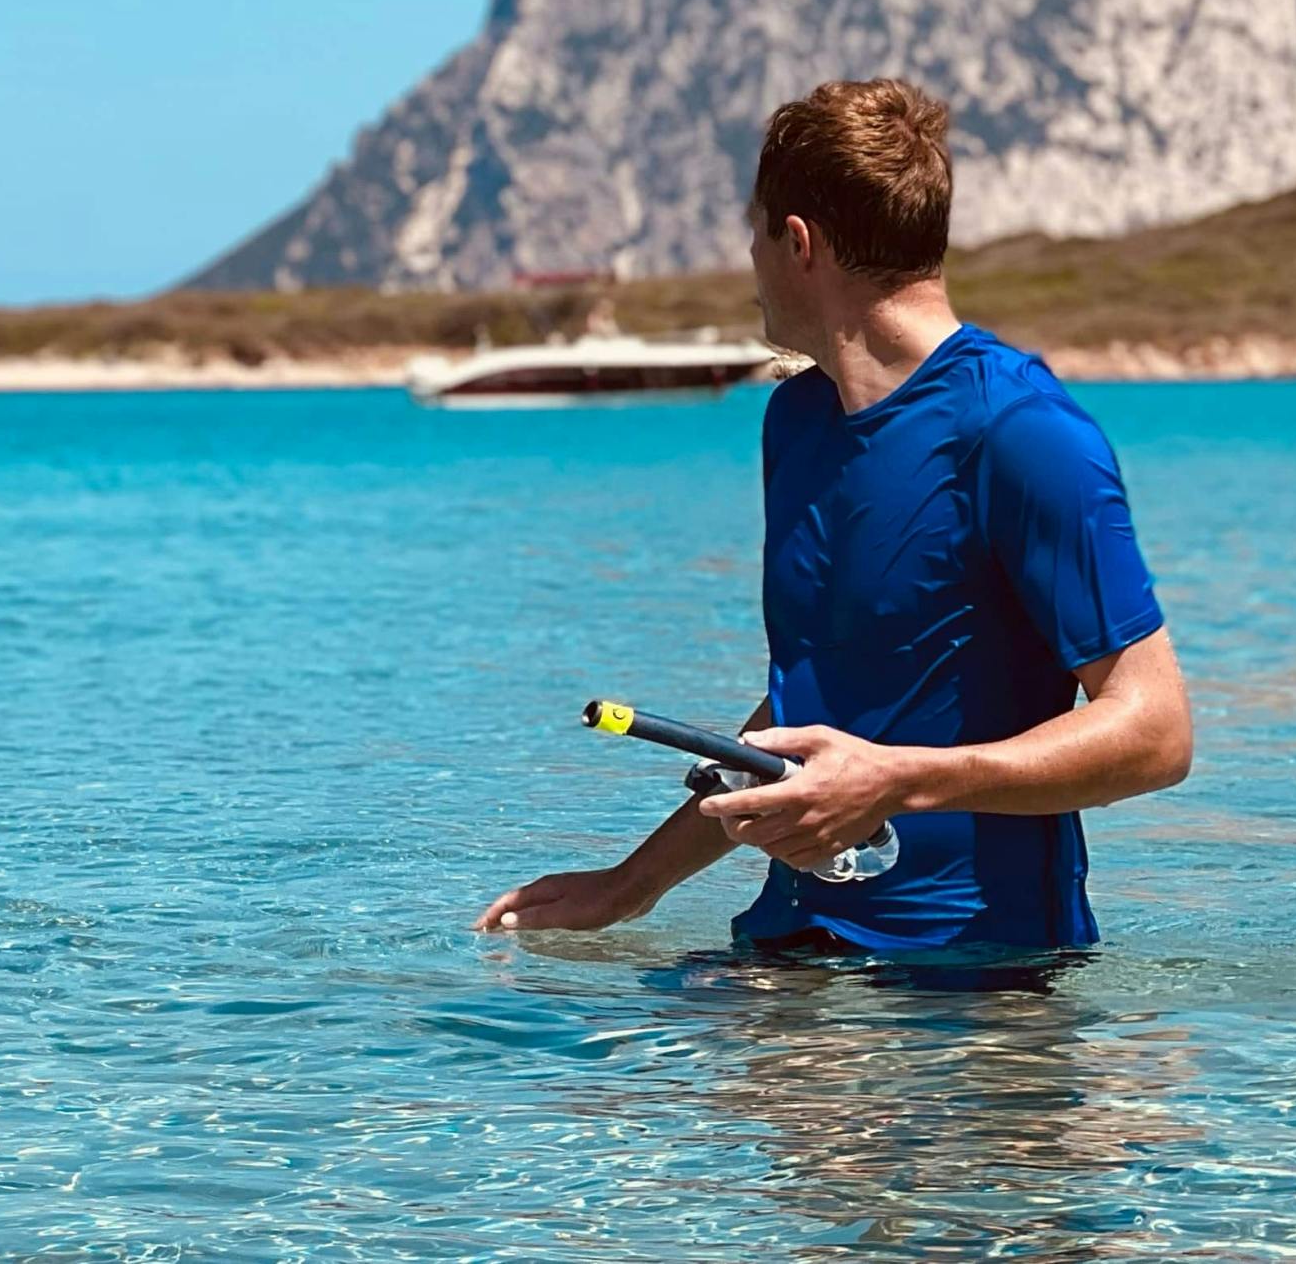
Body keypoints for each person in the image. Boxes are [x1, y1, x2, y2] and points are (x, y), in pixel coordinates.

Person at [475, 78, 1193, 953]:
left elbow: (1157, 731)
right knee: (553, 1060)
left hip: (974, 986)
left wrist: (896, 782)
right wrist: (632, 883)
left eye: (755, 234)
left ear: (799, 243)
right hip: (792, 947)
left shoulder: (1023, 432)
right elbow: (820, 702)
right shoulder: (798, 421)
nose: (749, 263)